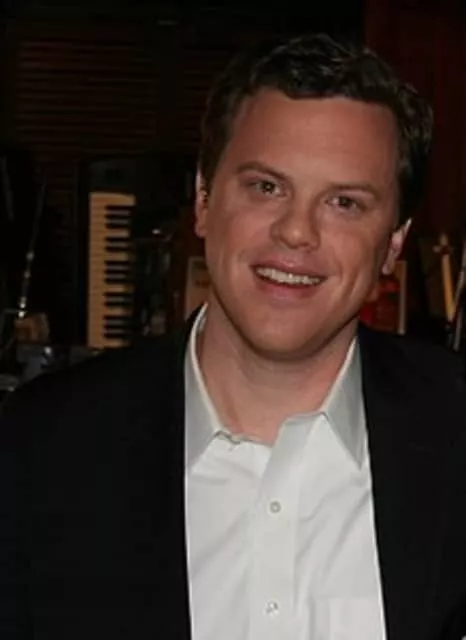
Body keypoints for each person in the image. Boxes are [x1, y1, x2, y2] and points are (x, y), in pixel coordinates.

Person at [1, 32, 466, 640]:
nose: (296, 232)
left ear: (394, 242)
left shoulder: (455, 427)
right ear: (202, 199)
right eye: (266, 187)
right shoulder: (38, 451)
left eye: (345, 203)